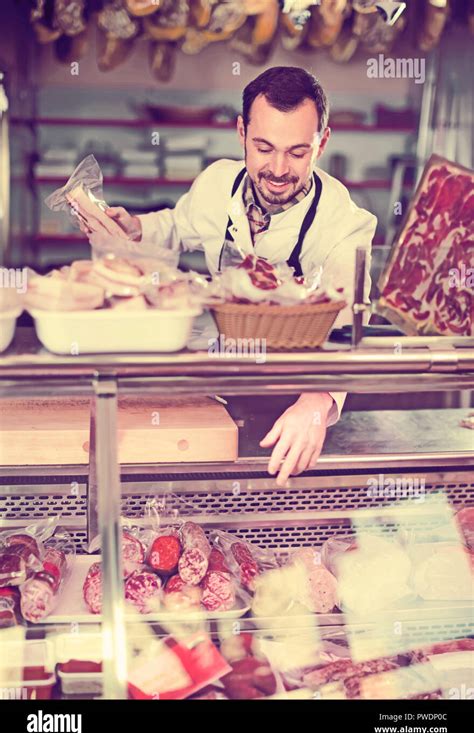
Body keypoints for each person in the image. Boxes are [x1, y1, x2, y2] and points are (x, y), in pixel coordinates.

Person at [96, 66, 377, 486]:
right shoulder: (217, 183)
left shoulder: (345, 225)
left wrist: (318, 401)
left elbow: (347, 328)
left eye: (298, 152)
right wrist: (136, 227)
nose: (279, 169)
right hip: (218, 389)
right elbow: (179, 225)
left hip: (295, 406)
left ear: (323, 142)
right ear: (241, 131)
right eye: (264, 147)